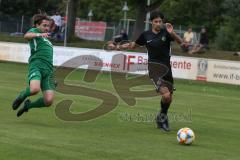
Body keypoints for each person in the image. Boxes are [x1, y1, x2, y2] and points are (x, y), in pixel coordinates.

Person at [108, 11, 185, 132]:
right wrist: (116, 47)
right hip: (154, 69)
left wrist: (173, 33)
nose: (158, 23)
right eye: (156, 21)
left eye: (160, 21)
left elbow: (183, 44)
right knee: (166, 95)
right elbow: (133, 45)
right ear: (151, 22)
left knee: (169, 98)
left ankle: (161, 117)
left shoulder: (167, 33)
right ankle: (163, 120)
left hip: (167, 69)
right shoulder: (146, 35)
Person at [12, 14, 55, 117]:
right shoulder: (35, 33)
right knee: (34, 89)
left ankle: (28, 106)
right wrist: (39, 35)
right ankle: (22, 96)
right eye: (44, 25)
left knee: (48, 101)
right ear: (37, 25)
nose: (46, 28)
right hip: (37, 66)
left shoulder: (47, 41)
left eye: (48, 26)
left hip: (48, 71)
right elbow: (26, 36)